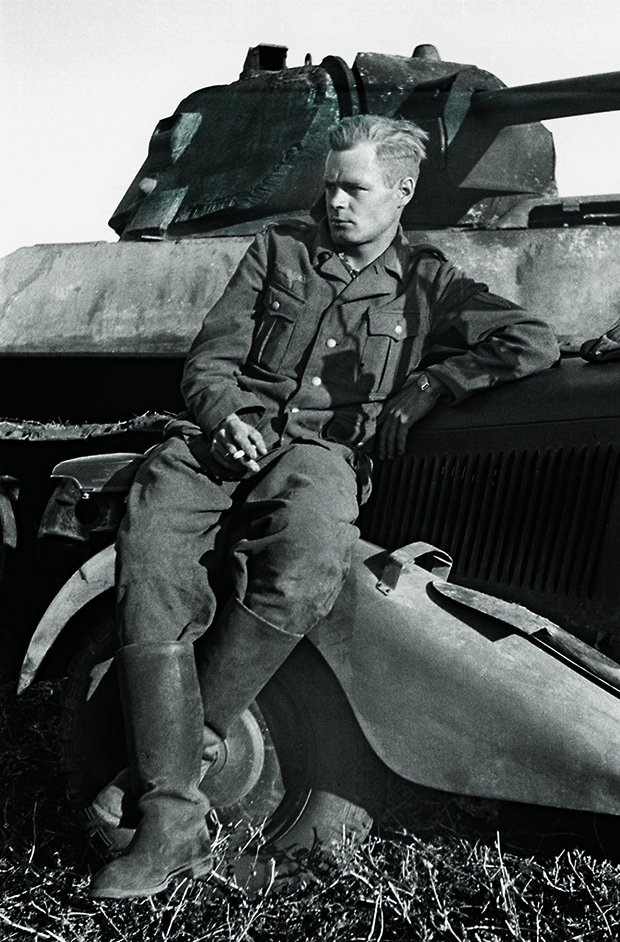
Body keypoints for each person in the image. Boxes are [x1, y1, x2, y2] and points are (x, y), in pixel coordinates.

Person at [89, 115, 560, 898]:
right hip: (224, 446)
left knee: (309, 556)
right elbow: (210, 362)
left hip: (319, 458)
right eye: (329, 187)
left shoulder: (427, 282)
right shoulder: (279, 251)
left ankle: (180, 754)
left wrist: (433, 382)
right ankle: (173, 815)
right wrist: (223, 416)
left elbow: (530, 341)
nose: (335, 203)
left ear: (401, 192)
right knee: (154, 537)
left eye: (354, 188)